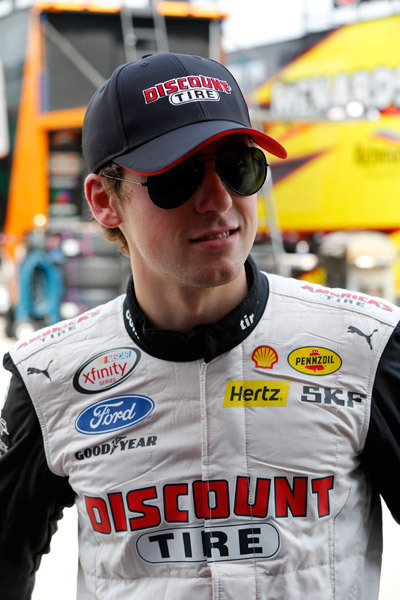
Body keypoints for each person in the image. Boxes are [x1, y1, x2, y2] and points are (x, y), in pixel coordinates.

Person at [0, 52, 399, 600]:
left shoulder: (365, 347)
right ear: (104, 200)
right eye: (178, 175)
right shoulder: (49, 376)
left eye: (239, 165)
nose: (218, 200)